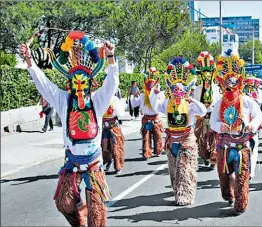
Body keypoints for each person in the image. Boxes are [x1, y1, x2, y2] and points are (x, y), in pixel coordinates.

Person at [21, 31, 118, 226]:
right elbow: (44, 85)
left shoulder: (97, 100)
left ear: (90, 83)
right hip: (72, 162)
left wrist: (110, 57)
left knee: (97, 211)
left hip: (93, 164)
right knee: (63, 203)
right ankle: (80, 216)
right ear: (70, 84)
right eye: (76, 82)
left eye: (84, 82)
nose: (80, 86)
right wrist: (30, 61)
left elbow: (111, 84)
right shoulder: (63, 100)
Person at [210, 49, 262, 214]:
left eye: (233, 81)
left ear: (239, 82)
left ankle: (241, 204)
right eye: (227, 82)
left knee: (241, 179)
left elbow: (259, 116)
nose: (230, 84)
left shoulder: (248, 101)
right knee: (224, 176)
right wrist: (221, 127)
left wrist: (252, 125)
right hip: (225, 147)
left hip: (242, 147)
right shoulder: (219, 103)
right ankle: (229, 194)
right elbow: (213, 122)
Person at [149, 57, 207, 206]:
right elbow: (156, 106)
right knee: (175, 169)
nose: (178, 92)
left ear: (185, 91)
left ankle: (186, 195)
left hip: (187, 138)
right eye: (175, 90)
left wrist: (193, 101)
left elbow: (203, 110)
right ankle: (178, 190)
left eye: (181, 90)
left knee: (185, 168)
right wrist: (154, 93)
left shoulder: (189, 104)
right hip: (172, 138)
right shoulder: (167, 102)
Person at [193, 51, 221, 169]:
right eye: (204, 74)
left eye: (208, 74)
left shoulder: (215, 88)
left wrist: (212, 106)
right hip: (202, 116)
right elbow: (195, 103)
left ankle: (213, 157)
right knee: (203, 137)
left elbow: (218, 101)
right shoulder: (198, 89)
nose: (206, 76)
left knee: (214, 137)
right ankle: (205, 156)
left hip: (213, 115)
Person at [130, 67, 164, 160]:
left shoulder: (158, 94)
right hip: (146, 119)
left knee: (158, 136)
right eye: (148, 87)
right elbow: (133, 104)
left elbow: (161, 104)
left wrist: (158, 94)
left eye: (151, 87)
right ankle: (147, 152)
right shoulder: (142, 96)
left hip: (155, 118)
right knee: (146, 137)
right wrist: (133, 96)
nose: (149, 90)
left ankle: (158, 151)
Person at [243, 74, 262, 178]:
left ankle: (251, 171)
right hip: (243, 124)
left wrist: (254, 100)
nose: (250, 84)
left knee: (254, 147)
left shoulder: (258, 91)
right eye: (248, 83)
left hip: (254, 121)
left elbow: (261, 102)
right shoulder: (242, 93)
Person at [101, 88, 125, 174]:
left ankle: (118, 166)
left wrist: (114, 109)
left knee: (115, 147)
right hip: (104, 126)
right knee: (103, 147)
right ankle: (108, 160)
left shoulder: (114, 99)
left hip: (113, 126)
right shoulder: (100, 98)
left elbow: (120, 113)